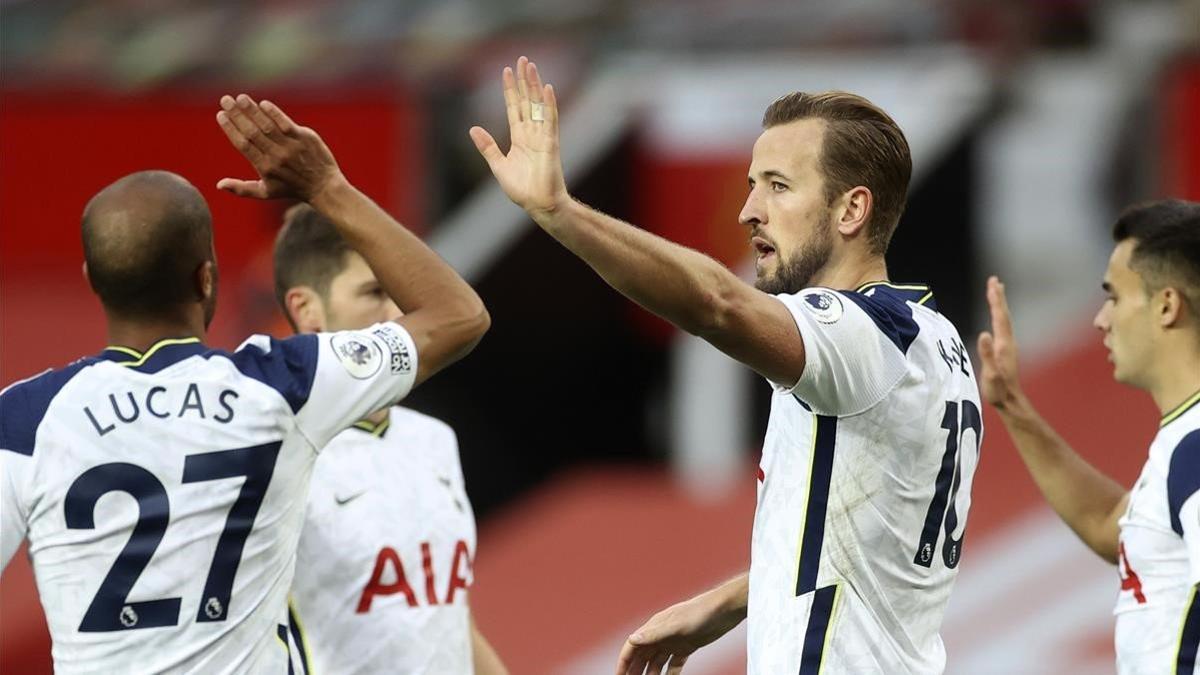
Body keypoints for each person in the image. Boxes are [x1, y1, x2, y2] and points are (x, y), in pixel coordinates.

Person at [470, 56, 983, 674]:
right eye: (751, 184)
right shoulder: (934, 337)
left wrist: (559, 212)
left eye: (778, 186)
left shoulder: (859, 332)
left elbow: (716, 304)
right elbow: (868, 538)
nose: (749, 211)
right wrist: (735, 598)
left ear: (851, 211)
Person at [0, 94, 489, 673]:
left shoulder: (24, 418)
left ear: (93, 281)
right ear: (208, 277)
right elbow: (458, 315)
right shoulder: (280, 385)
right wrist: (326, 187)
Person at [273, 204, 508, 674]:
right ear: (307, 310)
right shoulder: (278, 454)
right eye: (374, 292)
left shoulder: (433, 439)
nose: (399, 314)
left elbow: (446, 613)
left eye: (401, 292)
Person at [976, 200, 1200, 673]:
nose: (1101, 319)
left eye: (1115, 296)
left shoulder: (1196, 450)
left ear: (1166, 305)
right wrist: (1013, 407)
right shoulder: (1185, 442)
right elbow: (1111, 525)